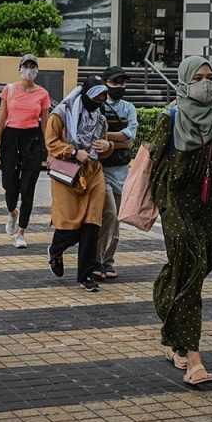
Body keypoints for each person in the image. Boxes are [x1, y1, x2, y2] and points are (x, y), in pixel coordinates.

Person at [149, 56, 212, 386]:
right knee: (191, 272)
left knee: (185, 274)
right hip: (177, 207)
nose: (205, 83)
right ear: (184, 81)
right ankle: (194, 362)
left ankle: (166, 304)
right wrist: (167, 206)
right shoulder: (170, 118)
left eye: (210, 77)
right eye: (198, 77)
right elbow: (156, 170)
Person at [44, 76, 114, 292]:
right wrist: (74, 152)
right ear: (85, 95)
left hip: (93, 174)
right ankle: (56, 249)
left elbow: (104, 146)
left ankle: (85, 275)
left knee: (93, 225)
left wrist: (107, 145)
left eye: (104, 96)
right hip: (69, 175)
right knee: (70, 226)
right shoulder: (61, 115)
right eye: (97, 96)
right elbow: (51, 143)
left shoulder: (100, 119)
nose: (101, 100)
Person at [0, 54, 51, 249]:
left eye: (33, 66)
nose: (30, 70)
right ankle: (12, 212)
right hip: (10, 137)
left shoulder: (42, 93)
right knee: (9, 183)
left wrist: (49, 150)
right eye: (26, 66)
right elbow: (1, 118)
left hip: (32, 139)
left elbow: (45, 124)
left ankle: (21, 231)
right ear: (20, 69)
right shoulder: (9, 89)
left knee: (28, 187)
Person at [94, 66, 138, 280]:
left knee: (115, 218)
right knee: (110, 214)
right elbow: (93, 138)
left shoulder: (129, 107)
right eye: (115, 82)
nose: (120, 86)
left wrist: (108, 139)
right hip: (99, 170)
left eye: (123, 82)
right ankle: (97, 260)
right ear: (104, 83)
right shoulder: (97, 106)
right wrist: (119, 139)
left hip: (121, 172)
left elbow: (131, 138)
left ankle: (107, 261)